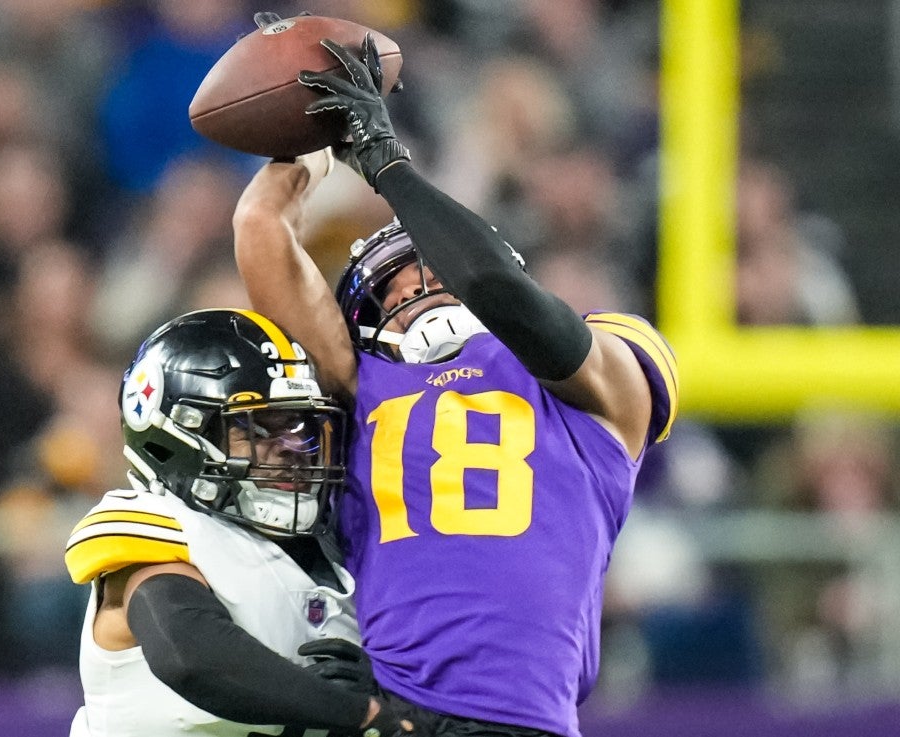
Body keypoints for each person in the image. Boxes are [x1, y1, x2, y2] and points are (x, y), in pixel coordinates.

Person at [231, 22, 680, 737]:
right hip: (391, 717)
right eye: (395, 286)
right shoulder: (361, 383)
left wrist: (384, 159)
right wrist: (309, 134)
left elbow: (491, 281)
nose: (422, 288)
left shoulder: (598, 374)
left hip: (519, 720)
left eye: (433, 269)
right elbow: (259, 224)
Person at [63, 308, 423, 737]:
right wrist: (360, 713)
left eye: (300, 425)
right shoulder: (160, 525)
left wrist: (388, 685)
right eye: (259, 428)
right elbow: (190, 654)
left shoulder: (342, 549)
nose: (293, 446)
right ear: (179, 436)